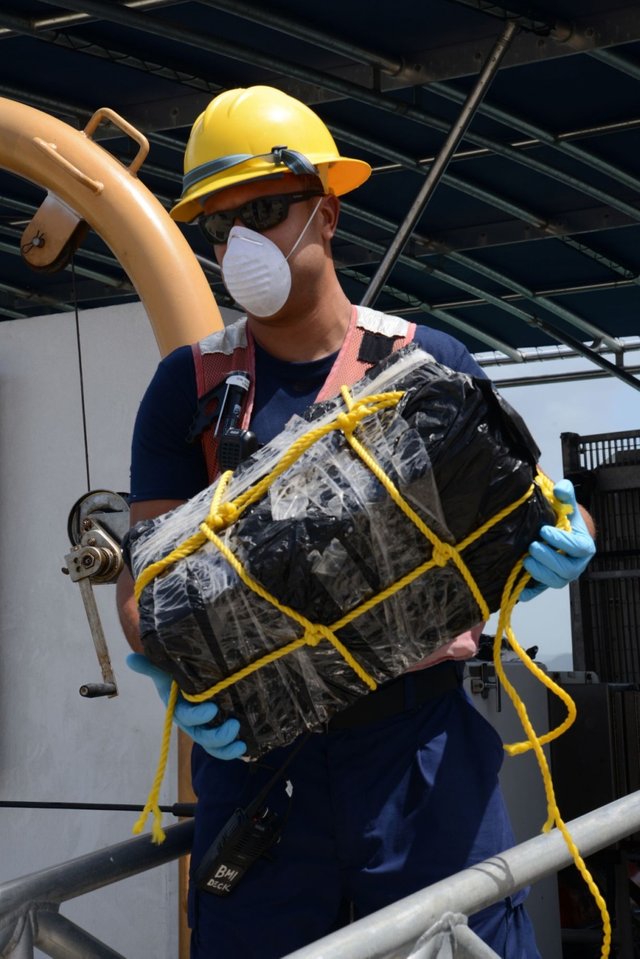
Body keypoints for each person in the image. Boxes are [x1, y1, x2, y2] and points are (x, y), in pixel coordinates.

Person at [117, 85, 595, 958]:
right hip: (260, 764)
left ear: (325, 215)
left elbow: (522, 503)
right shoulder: (188, 390)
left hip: (420, 749)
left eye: (263, 209)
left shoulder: (424, 364)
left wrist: (562, 528)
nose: (240, 243)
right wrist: (165, 661)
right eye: (219, 227)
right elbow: (142, 578)